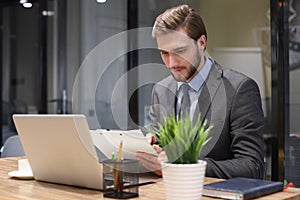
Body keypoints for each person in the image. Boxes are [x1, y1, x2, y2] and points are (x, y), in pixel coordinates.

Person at [136, 4, 265, 179]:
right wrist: (152, 150)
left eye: (180, 51)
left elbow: (252, 166)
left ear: (201, 43)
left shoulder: (239, 90)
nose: (171, 63)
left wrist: (183, 165)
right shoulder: (161, 91)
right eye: (164, 53)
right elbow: (162, 151)